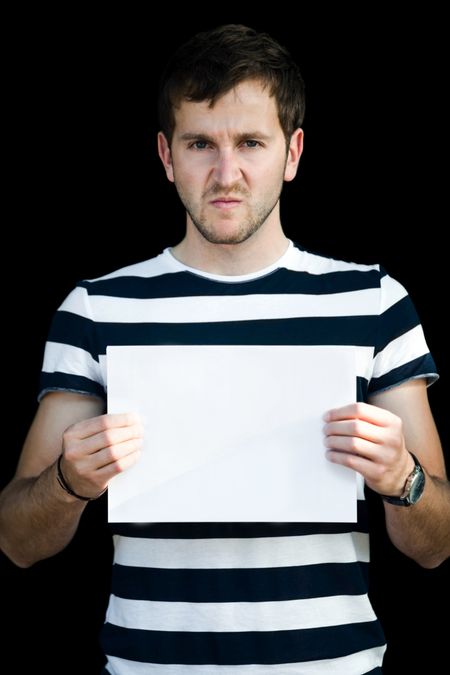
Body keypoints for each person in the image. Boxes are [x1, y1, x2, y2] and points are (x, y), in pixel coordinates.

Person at [0, 23, 449, 674]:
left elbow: (436, 545)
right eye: (201, 143)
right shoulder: (95, 308)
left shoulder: (374, 300)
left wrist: (401, 478)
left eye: (251, 143)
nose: (226, 173)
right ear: (166, 155)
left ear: (293, 153)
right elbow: (16, 540)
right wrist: (67, 482)